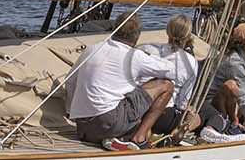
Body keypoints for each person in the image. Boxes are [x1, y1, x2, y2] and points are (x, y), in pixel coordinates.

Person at [63, 13, 177, 151]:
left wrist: (71, 112)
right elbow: (172, 70)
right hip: (108, 123)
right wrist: (148, 57)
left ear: (114, 30)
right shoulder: (135, 56)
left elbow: (70, 81)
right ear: (137, 38)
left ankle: (119, 138)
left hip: (83, 128)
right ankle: (139, 139)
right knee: (166, 85)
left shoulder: (93, 48)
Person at [139, 14, 201, 138]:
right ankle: (174, 136)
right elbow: (182, 103)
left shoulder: (146, 48)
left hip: (139, 109)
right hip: (162, 116)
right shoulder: (191, 62)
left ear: (167, 31)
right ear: (188, 36)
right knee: (197, 117)